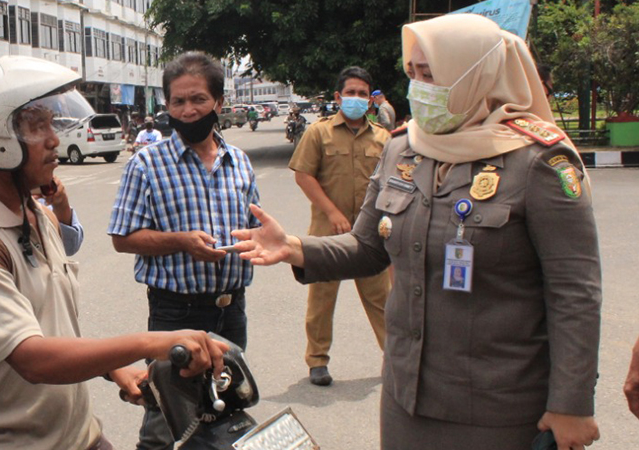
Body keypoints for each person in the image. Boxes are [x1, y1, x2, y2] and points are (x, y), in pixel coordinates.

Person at [229, 14, 601, 450]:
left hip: (500, 407)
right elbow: (368, 247)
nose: (419, 88)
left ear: (476, 74)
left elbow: (575, 292)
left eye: (431, 74)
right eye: (413, 74)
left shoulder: (538, 162)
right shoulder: (404, 148)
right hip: (407, 397)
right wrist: (291, 246)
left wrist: (572, 404)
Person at [0, 55, 228, 450]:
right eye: (38, 127)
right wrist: (149, 342)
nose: (54, 139)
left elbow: (51, 325)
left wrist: (115, 368)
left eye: (52, 124)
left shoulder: (38, 216)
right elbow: (33, 358)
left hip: (74, 435)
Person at [108, 51, 261, 450]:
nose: (188, 110)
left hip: (232, 311)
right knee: (164, 418)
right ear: (167, 106)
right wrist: (181, 241)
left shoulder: (239, 162)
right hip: (175, 312)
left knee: (224, 410)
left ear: (219, 104)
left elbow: (258, 230)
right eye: (178, 101)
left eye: (198, 99)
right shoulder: (146, 164)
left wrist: (254, 241)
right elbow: (122, 238)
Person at [288, 66, 392, 387]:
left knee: (382, 301)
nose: (356, 99)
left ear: (370, 101)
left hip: (369, 235)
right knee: (321, 300)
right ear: (338, 97)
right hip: (327, 233)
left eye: (362, 94)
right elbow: (304, 175)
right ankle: (317, 361)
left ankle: (396, 359)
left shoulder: (384, 138)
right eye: (351, 93)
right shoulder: (319, 133)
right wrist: (332, 212)